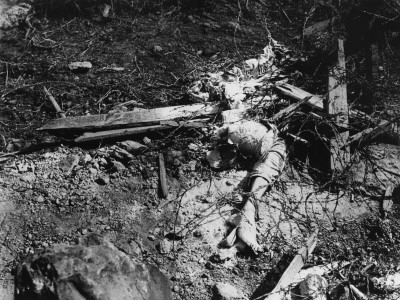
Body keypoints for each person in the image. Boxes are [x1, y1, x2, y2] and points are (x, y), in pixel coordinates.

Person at [208, 120, 286, 253]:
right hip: (261, 144)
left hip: (272, 143)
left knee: (265, 170)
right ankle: (244, 223)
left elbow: (266, 168)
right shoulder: (235, 132)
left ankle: (247, 216)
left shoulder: (275, 144)